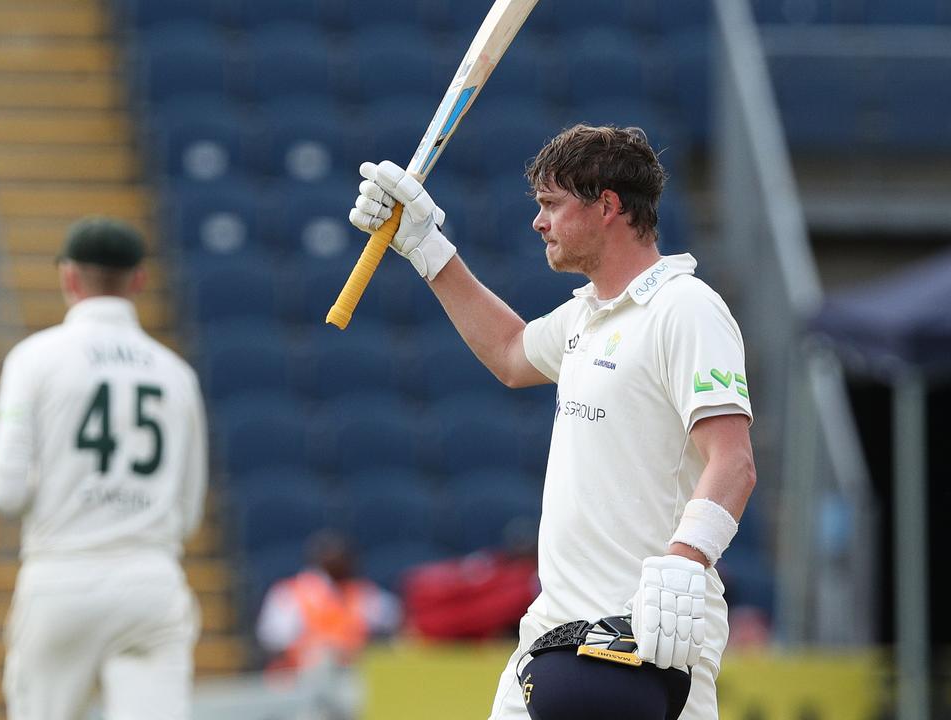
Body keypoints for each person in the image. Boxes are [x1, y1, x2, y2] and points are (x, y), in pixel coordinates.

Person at [348, 124, 757, 720]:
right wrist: (425, 246)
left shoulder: (684, 308)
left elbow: (735, 462)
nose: (539, 223)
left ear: (608, 206)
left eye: (551, 206)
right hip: (549, 640)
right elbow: (512, 353)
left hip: (646, 640)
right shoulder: (585, 316)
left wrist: (684, 561)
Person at [0, 217, 208, 720]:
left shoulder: (33, 359)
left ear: (68, 277)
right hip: (151, 580)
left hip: (63, 575)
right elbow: (188, 512)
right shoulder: (176, 375)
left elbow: (4, 491)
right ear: (139, 280)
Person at [256, 530, 401, 720]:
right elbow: (273, 640)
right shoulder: (291, 593)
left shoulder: (361, 593)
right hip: (300, 679)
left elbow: (394, 618)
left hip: (349, 677)